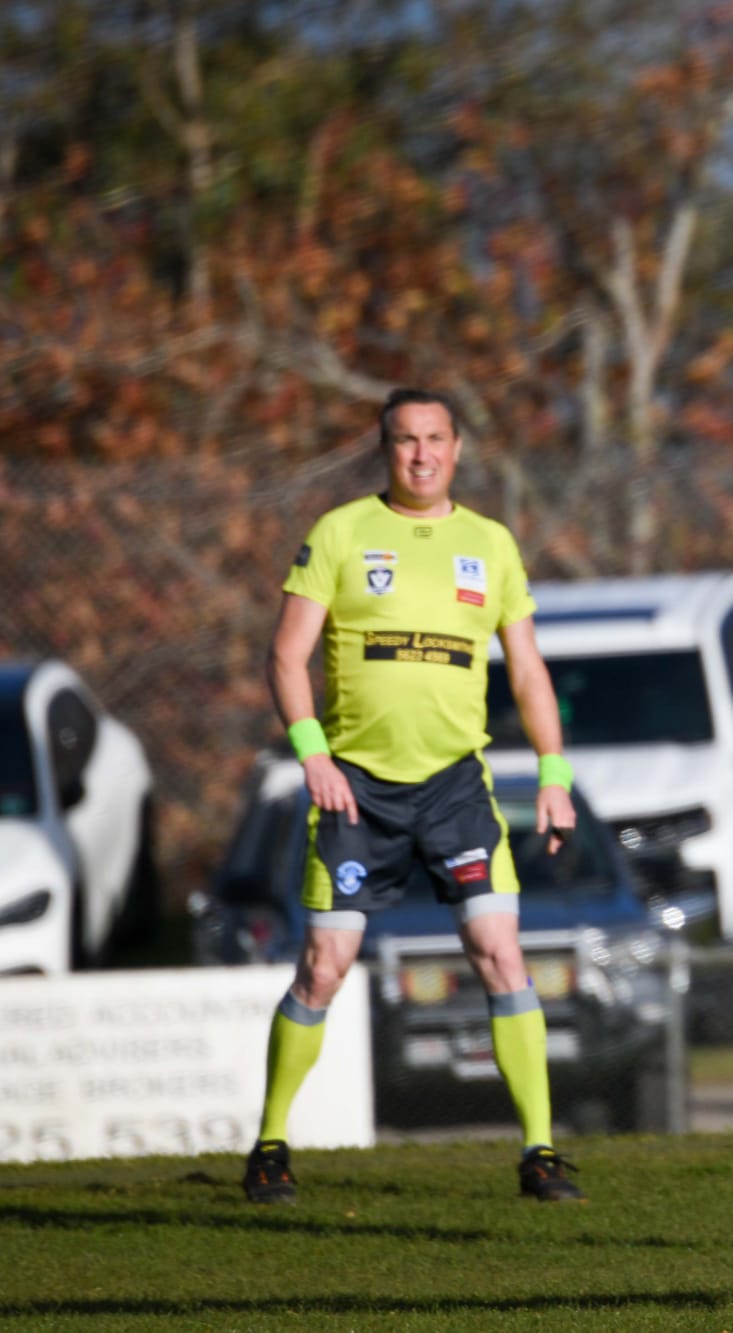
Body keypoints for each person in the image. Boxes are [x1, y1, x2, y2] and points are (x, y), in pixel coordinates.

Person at [241, 388, 586, 1205]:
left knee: (501, 951)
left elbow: (529, 669)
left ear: (458, 448)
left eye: (435, 439)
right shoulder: (341, 532)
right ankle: (269, 1144)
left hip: (455, 788)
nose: (421, 454)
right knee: (325, 966)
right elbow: (287, 656)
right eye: (405, 441)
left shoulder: (490, 544)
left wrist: (554, 773)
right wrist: (311, 754)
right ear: (386, 450)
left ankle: (540, 1152)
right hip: (356, 790)